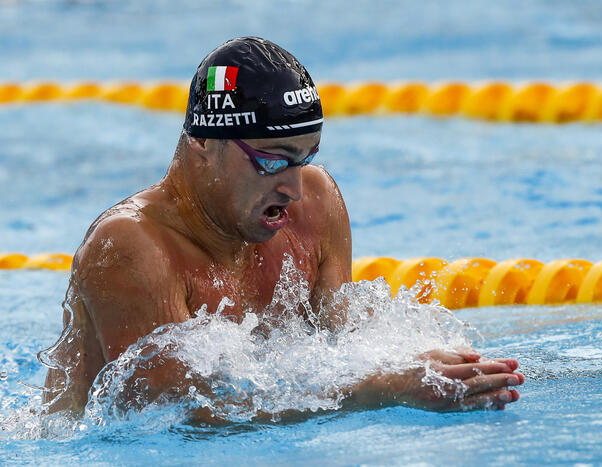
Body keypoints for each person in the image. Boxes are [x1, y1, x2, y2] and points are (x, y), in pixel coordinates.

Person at [41, 37, 524, 420]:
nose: (294, 188)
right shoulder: (130, 246)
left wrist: (423, 365)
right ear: (204, 143)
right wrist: (383, 390)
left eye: (305, 158)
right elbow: (179, 416)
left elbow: (343, 345)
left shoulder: (316, 204)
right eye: (273, 162)